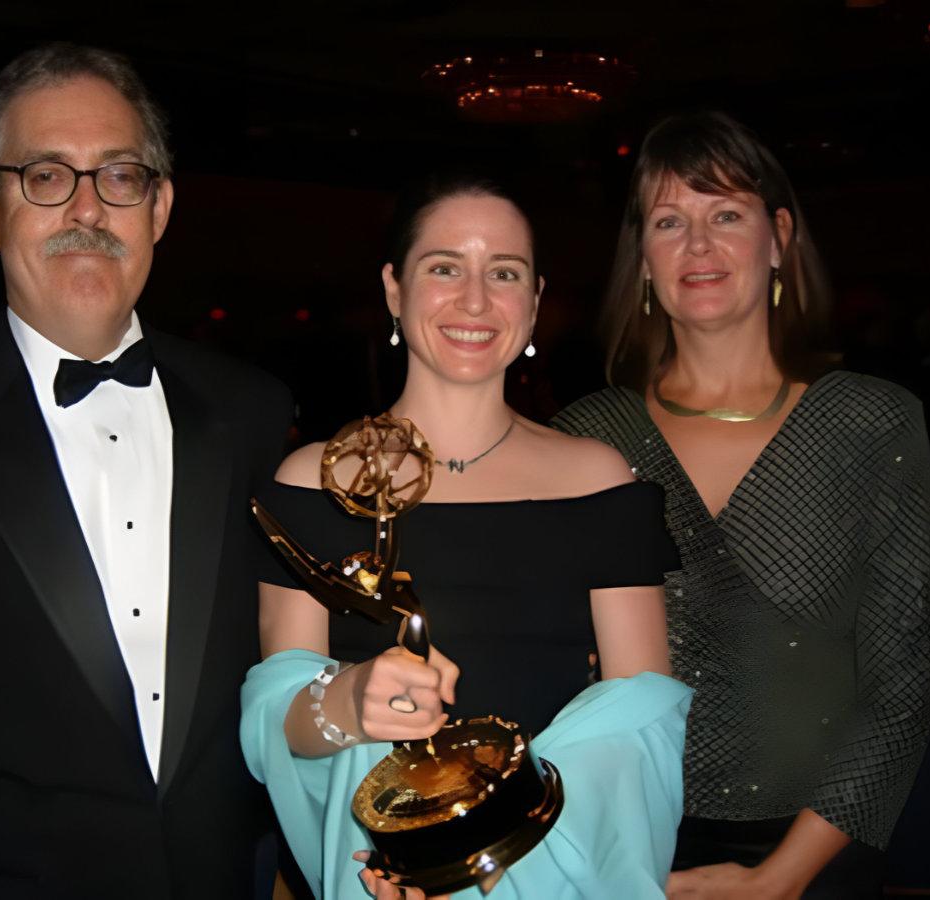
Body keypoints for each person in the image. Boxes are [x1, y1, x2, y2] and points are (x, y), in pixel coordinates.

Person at [0, 43, 291, 898]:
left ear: (160, 207)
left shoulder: (255, 415)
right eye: (44, 175)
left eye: (119, 176)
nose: (87, 208)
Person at [241, 174, 693, 899]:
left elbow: (639, 729)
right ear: (394, 289)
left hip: (558, 866)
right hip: (378, 873)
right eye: (444, 267)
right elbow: (276, 723)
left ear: (535, 301)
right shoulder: (310, 482)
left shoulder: (598, 482)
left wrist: (490, 857)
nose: (476, 301)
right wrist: (347, 704)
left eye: (504, 273)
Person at [553, 111, 930, 898]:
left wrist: (777, 880)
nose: (698, 245)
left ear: (778, 236)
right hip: (618, 845)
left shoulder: (871, 421)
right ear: (645, 258)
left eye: (726, 214)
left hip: (821, 854)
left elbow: (903, 680)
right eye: (670, 221)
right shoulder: (583, 439)